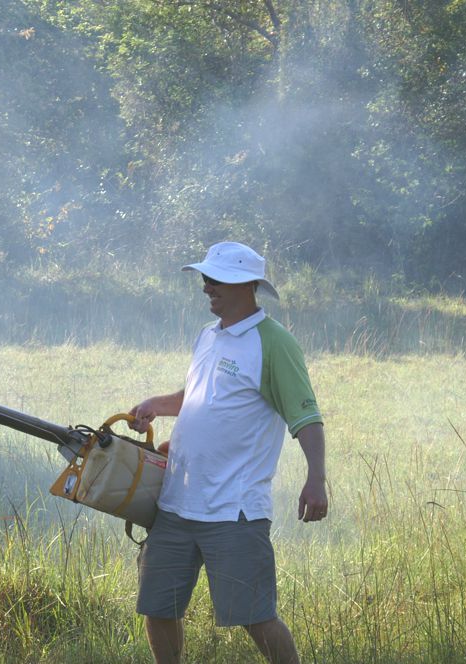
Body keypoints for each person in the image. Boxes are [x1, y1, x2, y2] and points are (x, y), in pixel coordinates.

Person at [128, 241, 327, 664]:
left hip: (234, 511)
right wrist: (157, 405)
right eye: (205, 279)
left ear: (245, 285)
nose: (206, 288)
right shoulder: (208, 336)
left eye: (215, 280)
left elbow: (305, 416)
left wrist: (315, 479)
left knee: (256, 617)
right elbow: (196, 395)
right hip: (177, 502)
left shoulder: (274, 343)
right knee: (158, 607)